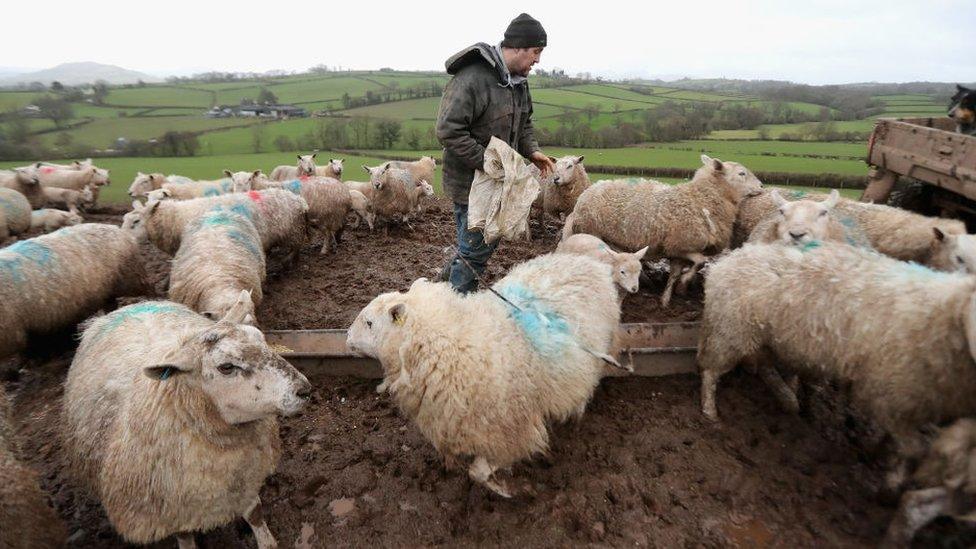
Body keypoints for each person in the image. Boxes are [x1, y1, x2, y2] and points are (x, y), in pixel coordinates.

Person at [436, 13, 555, 293]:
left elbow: (524, 123)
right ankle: (454, 307)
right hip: (470, 183)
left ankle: (437, 291)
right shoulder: (473, 78)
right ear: (517, 47)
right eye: (536, 52)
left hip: (496, 182)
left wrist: (532, 151)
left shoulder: (517, 82)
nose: (538, 60)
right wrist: (489, 162)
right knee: (475, 251)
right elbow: (448, 130)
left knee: (473, 248)